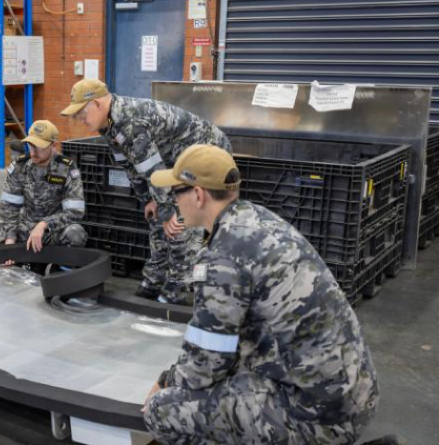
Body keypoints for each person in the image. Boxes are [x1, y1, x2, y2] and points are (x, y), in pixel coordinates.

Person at [142, 144, 378, 444]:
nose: (174, 200)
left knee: (162, 411)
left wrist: (165, 382)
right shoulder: (256, 219)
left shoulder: (222, 258)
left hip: (319, 419)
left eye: (177, 191)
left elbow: (205, 366)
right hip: (356, 394)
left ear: (198, 195)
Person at [61, 79, 231, 304]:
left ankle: (177, 286)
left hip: (208, 154)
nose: (79, 119)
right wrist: (149, 200)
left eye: (81, 112)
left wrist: (168, 210)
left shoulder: (129, 121)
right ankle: (156, 277)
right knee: (158, 217)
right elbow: (130, 165)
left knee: (181, 219)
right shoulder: (108, 124)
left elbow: (153, 171)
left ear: (97, 104)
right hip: (174, 159)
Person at [0, 120, 87, 253]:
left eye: (40, 146)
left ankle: (59, 269)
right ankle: (22, 263)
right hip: (26, 229)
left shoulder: (66, 168)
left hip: (53, 231)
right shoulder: (20, 166)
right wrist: (10, 241)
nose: (34, 151)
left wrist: (45, 224)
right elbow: (9, 207)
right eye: (31, 145)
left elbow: (75, 212)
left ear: (54, 146)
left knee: (76, 234)